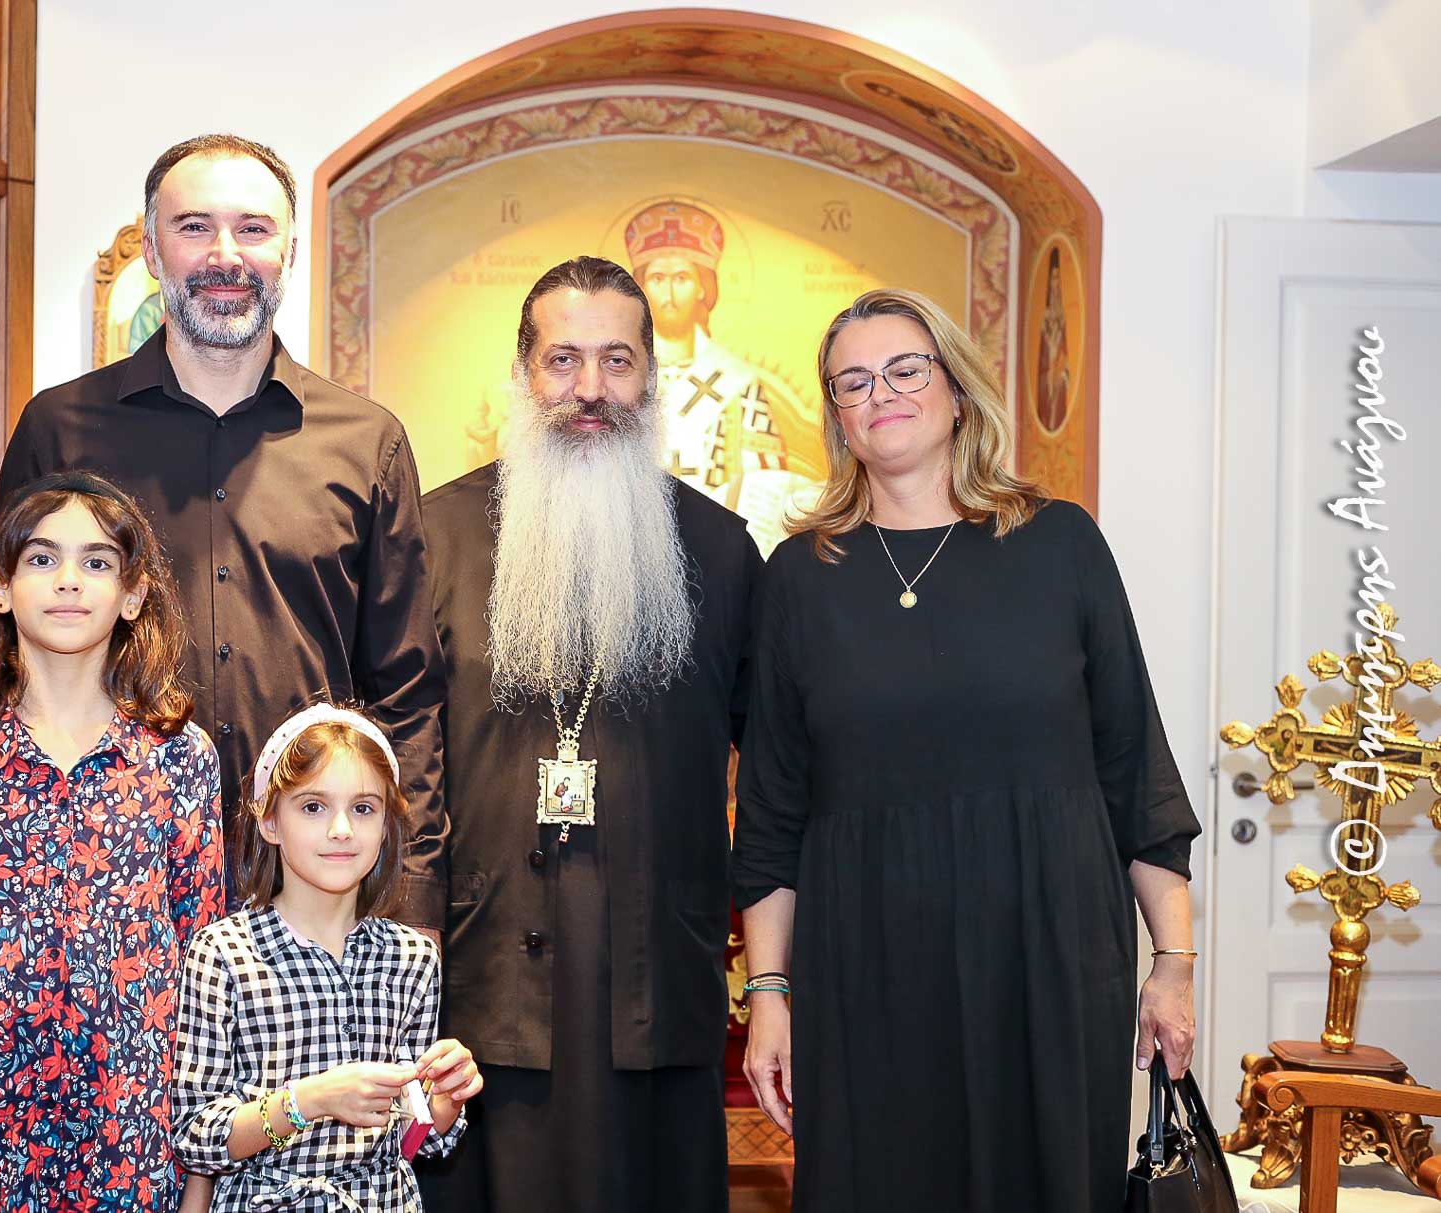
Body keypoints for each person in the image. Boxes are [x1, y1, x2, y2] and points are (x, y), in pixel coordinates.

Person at [0, 133, 446, 927]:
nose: (225, 254)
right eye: (194, 226)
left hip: (312, 894)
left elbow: (407, 692)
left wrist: (409, 902)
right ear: (151, 247)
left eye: (253, 228)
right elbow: (2, 648)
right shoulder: (61, 428)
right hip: (104, 892)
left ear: (289, 250)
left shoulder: (367, 443)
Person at [732, 288, 1200, 1212]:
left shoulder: (1060, 543)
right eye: (853, 382)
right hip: (867, 966)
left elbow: (1134, 768)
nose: (881, 394)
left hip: (1049, 953)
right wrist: (770, 994)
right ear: (836, 416)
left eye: (905, 369)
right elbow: (773, 814)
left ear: (955, 389)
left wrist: (1173, 963)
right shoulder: (800, 577)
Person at [414, 256, 762, 1213]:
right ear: (523, 373)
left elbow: (775, 772)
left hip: (658, 971)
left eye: (617, 360)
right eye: (562, 359)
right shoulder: (436, 536)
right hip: (480, 970)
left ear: (650, 376)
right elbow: (398, 762)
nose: (590, 389)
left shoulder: (722, 550)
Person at [0, 471, 224, 1212]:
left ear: (133, 595)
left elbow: (203, 996)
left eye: (97, 561)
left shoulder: (181, 759)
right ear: (0, 588)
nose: (68, 580)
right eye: (41, 558)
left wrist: (198, 1192)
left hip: (132, 1152)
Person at [173, 704, 480, 1212]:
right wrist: (308, 1100)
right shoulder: (224, 953)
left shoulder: (413, 958)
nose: (341, 829)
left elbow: (414, 1142)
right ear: (270, 821)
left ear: (386, 825)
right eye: (313, 806)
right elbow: (195, 1137)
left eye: (363, 808)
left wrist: (444, 1101)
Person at [624, 199, 816, 551]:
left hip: (719, 544)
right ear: (642, 288)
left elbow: (766, 486)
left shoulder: (737, 383)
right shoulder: (621, 380)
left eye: (681, 278)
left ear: (702, 286)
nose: (669, 294)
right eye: (658, 279)